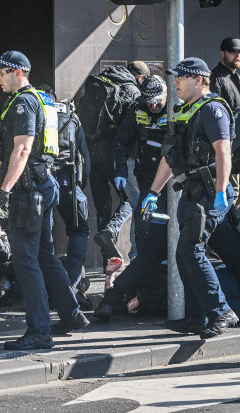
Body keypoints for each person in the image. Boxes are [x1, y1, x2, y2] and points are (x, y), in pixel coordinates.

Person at [0, 50, 89, 349]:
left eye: (2, 72)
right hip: (42, 187)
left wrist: (5, 190)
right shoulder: (36, 99)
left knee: (25, 260)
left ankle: (39, 332)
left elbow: (22, 149)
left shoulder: (23, 103)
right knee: (44, 255)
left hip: (28, 192)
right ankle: (71, 314)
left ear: (18, 72)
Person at [143, 58, 239, 339]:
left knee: (190, 251)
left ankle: (221, 311)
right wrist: (152, 192)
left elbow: (223, 153)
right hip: (191, 193)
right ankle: (197, 318)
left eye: (181, 78)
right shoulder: (185, 111)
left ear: (199, 80)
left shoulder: (213, 109)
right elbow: (169, 158)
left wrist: (221, 192)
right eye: (175, 78)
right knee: (183, 255)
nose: (175, 83)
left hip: (210, 193)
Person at [94, 75, 170, 320]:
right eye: (149, 102)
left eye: (157, 102)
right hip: (148, 179)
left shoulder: (176, 109)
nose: (154, 107)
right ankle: (126, 294)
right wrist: (119, 171)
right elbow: (121, 142)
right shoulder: (138, 108)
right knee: (146, 236)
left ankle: (142, 294)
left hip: (172, 185)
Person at [86, 61, 148, 268]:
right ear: (140, 77)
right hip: (115, 158)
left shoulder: (99, 82)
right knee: (132, 199)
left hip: (92, 156)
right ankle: (111, 231)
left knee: (103, 207)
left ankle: (107, 265)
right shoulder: (131, 90)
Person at [36, 85, 91, 305]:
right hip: (68, 182)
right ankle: (69, 282)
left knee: (44, 240)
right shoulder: (72, 117)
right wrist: (80, 187)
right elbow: (83, 157)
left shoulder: (34, 113)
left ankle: (49, 288)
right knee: (79, 231)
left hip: (41, 184)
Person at [210, 37, 240, 208]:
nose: (237, 55)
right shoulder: (216, 78)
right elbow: (216, 118)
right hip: (230, 153)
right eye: (233, 51)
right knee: (231, 202)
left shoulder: (235, 78)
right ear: (223, 53)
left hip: (235, 151)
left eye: (239, 52)